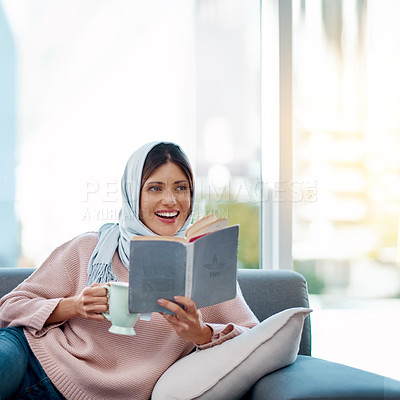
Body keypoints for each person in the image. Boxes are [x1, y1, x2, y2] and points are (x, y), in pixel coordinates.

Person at [0, 141, 259, 400]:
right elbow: (9, 307)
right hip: (30, 358)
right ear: (132, 194)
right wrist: (75, 306)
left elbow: (257, 339)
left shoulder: (206, 266)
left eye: (181, 188)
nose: (170, 200)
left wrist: (201, 334)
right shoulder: (89, 247)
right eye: (155, 188)